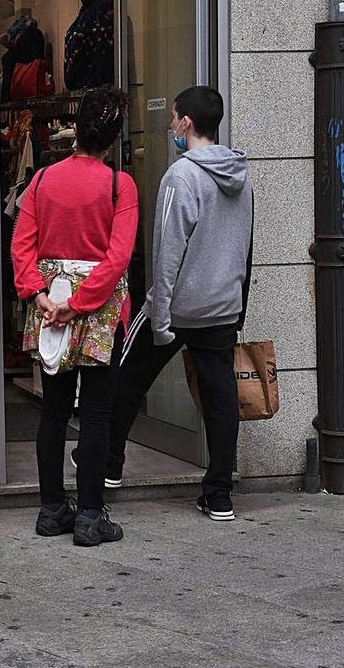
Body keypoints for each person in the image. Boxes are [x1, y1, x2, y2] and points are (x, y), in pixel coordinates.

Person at [106, 86, 252, 522]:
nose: (171, 125)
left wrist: (161, 315)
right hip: (222, 307)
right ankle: (219, 493)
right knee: (222, 399)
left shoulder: (181, 177)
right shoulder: (241, 176)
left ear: (186, 122)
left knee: (126, 379)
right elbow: (245, 245)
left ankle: (110, 466)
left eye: (173, 118)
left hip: (179, 306)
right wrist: (237, 305)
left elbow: (167, 251)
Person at [10, 87, 139, 547]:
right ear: (113, 138)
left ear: (76, 129)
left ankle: (50, 508)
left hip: (50, 305)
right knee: (99, 412)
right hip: (99, 309)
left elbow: (22, 243)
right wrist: (82, 302)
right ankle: (88, 515)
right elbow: (119, 255)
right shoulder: (118, 185)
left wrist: (39, 295)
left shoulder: (42, 180)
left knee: (54, 410)